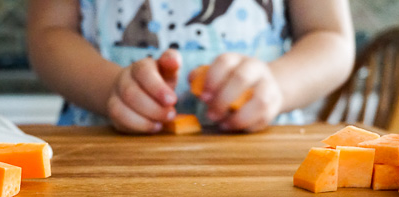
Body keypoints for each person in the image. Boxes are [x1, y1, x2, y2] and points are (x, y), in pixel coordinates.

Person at [27, 0, 355, 134]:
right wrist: (110, 89)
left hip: (263, 154)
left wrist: (278, 86)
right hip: (101, 146)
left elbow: (331, 38)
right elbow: (49, 32)